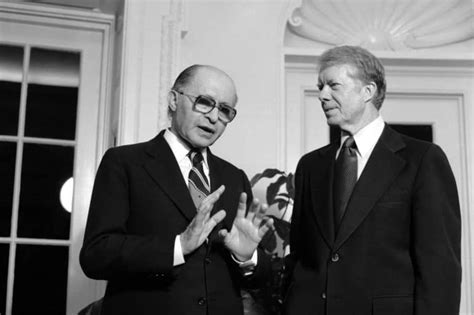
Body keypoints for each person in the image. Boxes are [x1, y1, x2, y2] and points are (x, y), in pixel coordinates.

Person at [80, 64, 273, 315]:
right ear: (173, 99)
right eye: (205, 102)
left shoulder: (234, 177)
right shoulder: (125, 163)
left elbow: (261, 279)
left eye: (225, 110)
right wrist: (178, 246)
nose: (214, 117)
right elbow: (96, 255)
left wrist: (246, 258)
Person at [283, 46, 461, 315]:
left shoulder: (423, 159)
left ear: (368, 91)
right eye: (320, 86)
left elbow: (440, 269)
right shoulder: (310, 165)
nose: (322, 95)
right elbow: (299, 256)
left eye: (333, 85)